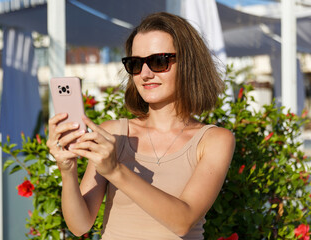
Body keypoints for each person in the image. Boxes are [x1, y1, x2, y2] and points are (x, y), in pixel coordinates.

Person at [47, 12, 235, 239]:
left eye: (159, 61)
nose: (145, 74)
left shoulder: (214, 140)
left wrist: (115, 170)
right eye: (135, 64)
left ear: (188, 64)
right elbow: (80, 225)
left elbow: (182, 221)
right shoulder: (114, 133)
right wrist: (67, 171)